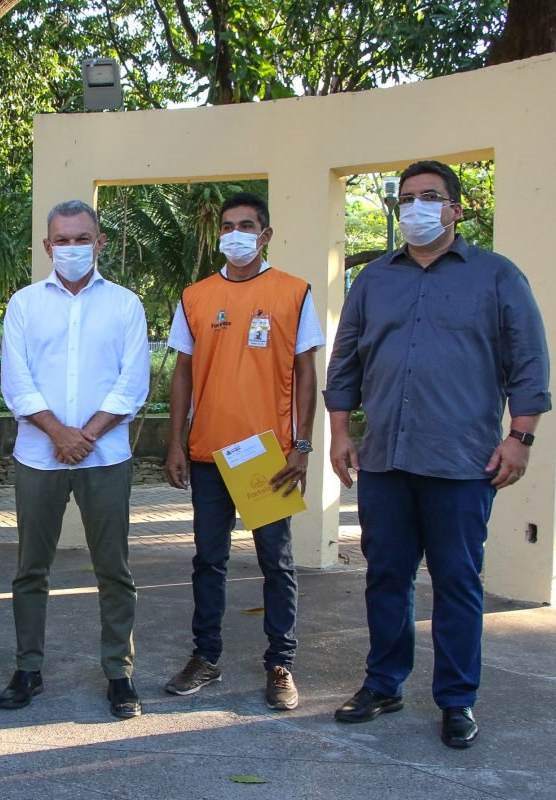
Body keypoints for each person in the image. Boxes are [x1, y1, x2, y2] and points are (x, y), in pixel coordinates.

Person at [324, 160, 551, 749]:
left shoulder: (498, 276)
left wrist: (519, 437)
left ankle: (456, 699)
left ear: (455, 208)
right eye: (406, 199)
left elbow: (528, 362)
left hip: (463, 461)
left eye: (430, 197)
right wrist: (341, 432)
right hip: (385, 461)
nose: (416, 208)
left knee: (456, 582)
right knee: (387, 577)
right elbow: (346, 360)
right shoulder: (373, 279)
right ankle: (384, 683)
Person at [162, 192, 324, 711]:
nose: (236, 234)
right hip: (208, 451)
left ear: (266, 235)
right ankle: (205, 658)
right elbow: (182, 374)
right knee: (208, 561)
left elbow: (305, 373)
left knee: (276, 563)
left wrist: (301, 445)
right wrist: (175, 444)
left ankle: (281, 663)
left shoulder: (293, 293)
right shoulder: (195, 297)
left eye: (246, 225)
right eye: (228, 226)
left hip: (266, 456)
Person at [0, 200, 150, 719]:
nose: (71, 248)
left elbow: (133, 382)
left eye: (81, 238)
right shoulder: (23, 304)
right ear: (46, 246)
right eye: (61, 240)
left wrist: (84, 435)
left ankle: (119, 674)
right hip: (38, 457)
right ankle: (28, 667)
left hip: (104, 457)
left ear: (100, 242)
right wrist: (58, 433)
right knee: (30, 569)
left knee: (114, 569)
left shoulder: (126, 305)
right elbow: (16, 380)